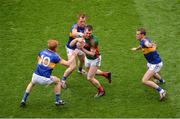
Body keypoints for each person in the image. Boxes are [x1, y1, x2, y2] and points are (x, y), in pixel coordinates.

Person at [20, 39, 78, 107]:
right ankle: (57, 101)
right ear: (56, 47)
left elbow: (38, 58)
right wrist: (74, 55)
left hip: (36, 75)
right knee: (58, 81)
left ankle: (23, 100)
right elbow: (68, 64)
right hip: (45, 78)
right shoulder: (55, 56)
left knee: (32, 83)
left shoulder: (42, 51)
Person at [70, 25, 111, 98]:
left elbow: (92, 54)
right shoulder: (82, 36)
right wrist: (76, 40)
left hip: (95, 59)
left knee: (89, 77)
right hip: (87, 58)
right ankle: (105, 74)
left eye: (90, 33)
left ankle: (101, 91)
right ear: (84, 32)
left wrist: (81, 49)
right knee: (89, 72)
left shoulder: (93, 41)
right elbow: (71, 44)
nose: (88, 35)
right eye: (87, 33)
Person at [131, 28, 166, 101]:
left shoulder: (145, 41)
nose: (136, 35)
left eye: (138, 34)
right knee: (150, 70)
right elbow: (142, 46)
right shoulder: (143, 40)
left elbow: (147, 44)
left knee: (144, 80)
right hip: (151, 62)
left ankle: (161, 91)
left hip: (155, 63)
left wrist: (151, 45)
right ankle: (161, 80)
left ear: (142, 35)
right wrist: (136, 49)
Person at [61, 13, 86, 88]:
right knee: (72, 66)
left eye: (84, 21)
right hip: (71, 48)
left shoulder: (85, 27)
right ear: (78, 21)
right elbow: (74, 33)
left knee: (82, 60)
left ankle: (80, 70)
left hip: (79, 48)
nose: (83, 23)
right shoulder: (74, 26)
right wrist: (81, 34)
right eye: (81, 21)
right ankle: (62, 81)